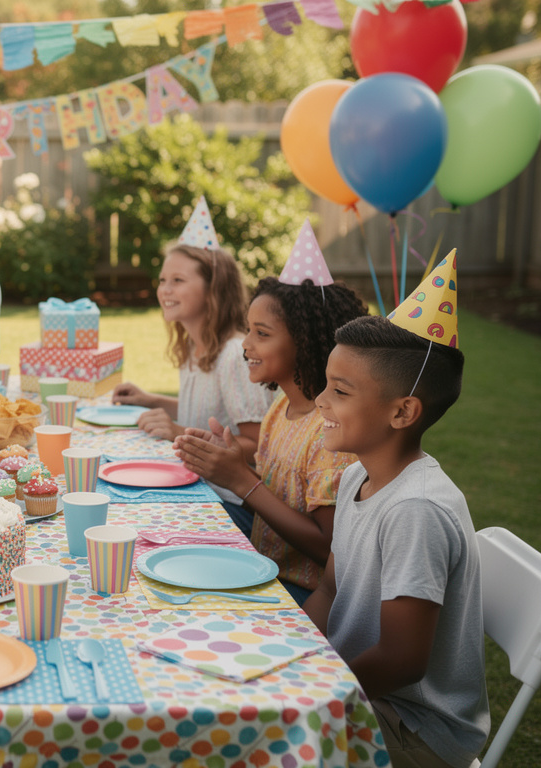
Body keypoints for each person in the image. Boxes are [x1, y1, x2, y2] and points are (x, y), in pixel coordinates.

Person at [304, 283, 488, 768]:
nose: (320, 400)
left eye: (339, 391)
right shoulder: (354, 477)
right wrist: (291, 656)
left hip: (415, 728)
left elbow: (403, 659)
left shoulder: (416, 510)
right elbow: (328, 589)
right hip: (354, 686)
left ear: (402, 411)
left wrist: (310, 694)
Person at [174, 276, 367, 604]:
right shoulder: (281, 407)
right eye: (248, 329)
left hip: (301, 591)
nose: (246, 344)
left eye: (261, 333)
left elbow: (327, 547)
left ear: (305, 341)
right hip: (264, 563)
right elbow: (275, 498)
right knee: (177, 534)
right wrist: (226, 461)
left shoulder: (329, 432)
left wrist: (241, 480)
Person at [112, 238, 274, 513]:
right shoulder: (193, 346)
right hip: (197, 485)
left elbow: (259, 444)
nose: (165, 289)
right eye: (163, 280)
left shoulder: (233, 355)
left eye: (178, 280)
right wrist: (152, 400)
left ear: (214, 290)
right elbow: (211, 413)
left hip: (230, 503)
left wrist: (179, 434)